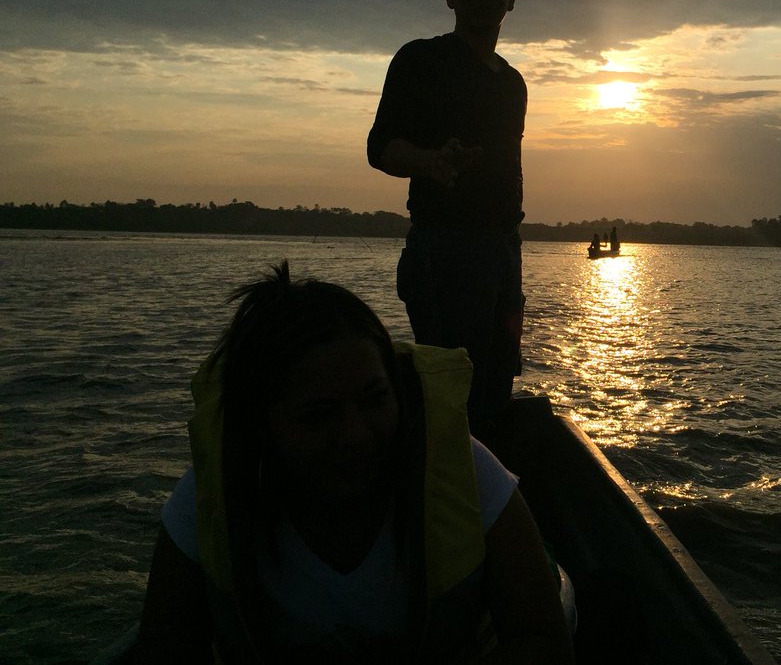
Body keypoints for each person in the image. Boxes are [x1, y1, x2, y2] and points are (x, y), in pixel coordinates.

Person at [135, 261, 573, 664]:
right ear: (261, 423)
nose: (357, 435)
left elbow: (540, 637)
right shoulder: (207, 500)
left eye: (375, 399)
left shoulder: (465, 474)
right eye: (319, 415)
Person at [367, 0, 525, 439]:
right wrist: (429, 162)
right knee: (451, 394)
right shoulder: (420, 60)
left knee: (497, 382)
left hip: (504, 254)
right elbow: (381, 146)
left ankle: (488, 500)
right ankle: (442, 504)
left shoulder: (513, 82)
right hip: (444, 253)